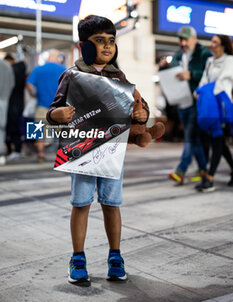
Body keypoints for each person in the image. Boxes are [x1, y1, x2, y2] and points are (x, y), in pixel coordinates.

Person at [46, 15, 149, 285]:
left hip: (112, 151)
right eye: (100, 41)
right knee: (80, 203)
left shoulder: (118, 76)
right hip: (82, 151)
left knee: (111, 204)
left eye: (111, 41)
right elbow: (52, 110)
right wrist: (57, 115)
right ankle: (77, 258)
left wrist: (141, 114)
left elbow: (140, 106)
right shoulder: (72, 75)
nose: (107, 47)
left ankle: (115, 256)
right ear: (84, 46)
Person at [159, 26, 212, 184]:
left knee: (190, 137)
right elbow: (170, 72)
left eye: (185, 39)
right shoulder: (178, 55)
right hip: (182, 102)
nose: (182, 42)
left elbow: (212, 74)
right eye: (180, 39)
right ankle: (203, 170)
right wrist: (163, 66)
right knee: (193, 138)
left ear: (194, 39)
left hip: (197, 101)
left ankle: (181, 171)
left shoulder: (204, 53)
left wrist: (192, 75)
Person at [195, 35, 233, 192]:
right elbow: (204, 80)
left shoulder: (230, 60)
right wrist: (198, 91)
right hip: (208, 105)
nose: (211, 45)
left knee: (217, 140)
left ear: (223, 46)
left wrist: (205, 91)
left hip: (222, 105)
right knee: (218, 142)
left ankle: (210, 177)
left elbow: (223, 82)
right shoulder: (210, 61)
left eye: (215, 42)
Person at [26, 49, 66, 162]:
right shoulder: (64, 70)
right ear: (58, 58)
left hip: (41, 105)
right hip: (59, 107)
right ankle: (64, 158)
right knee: (64, 134)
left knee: (38, 132)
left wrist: (33, 95)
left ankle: (40, 154)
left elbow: (28, 85)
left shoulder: (38, 69)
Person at [4, 53, 26, 160]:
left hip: (11, 103)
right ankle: (19, 149)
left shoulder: (11, 71)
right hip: (20, 103)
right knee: (18, 127)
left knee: (11, 127)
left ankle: (15, 150)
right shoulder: (21, 71)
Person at [0, 59, 15, 165]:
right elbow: (12, 84)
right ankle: (1, 153)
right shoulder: (7, 66)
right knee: (1, 127)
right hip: (4, 100)